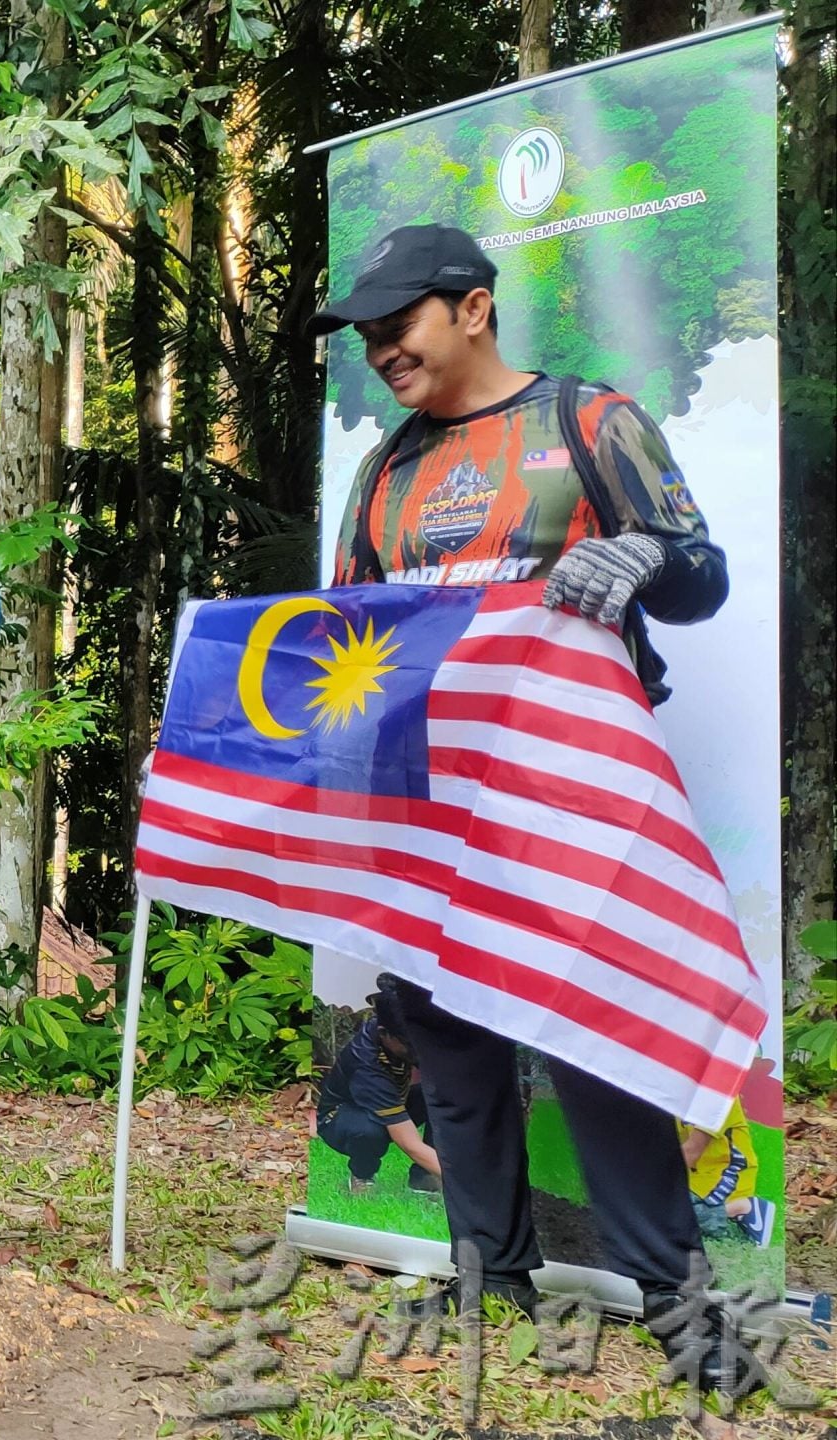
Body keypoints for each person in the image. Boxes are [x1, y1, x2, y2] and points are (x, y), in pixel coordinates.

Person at [312, 223, 739, 1378]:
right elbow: (345, 639)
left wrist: (646, 558)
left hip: (567, 792)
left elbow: (703, 574)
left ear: (473, 308)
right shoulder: (384, 469)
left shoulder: (589, 422)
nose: (377, 349)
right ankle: (486, 1274)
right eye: (364, 335)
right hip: (425, 790)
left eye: (396, 323)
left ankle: (682, 1313)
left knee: (596, 1030)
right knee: (447, 1041)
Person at [315, 982, 441, 1195]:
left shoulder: (399, 1034)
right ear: (384, 1034)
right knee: (368, 1131)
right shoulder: (366, 1064)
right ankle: (361, 1177)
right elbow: (409, 1142)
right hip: (340, 1117)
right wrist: (463, 1182)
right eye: (410, 1045)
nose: (417, 1050)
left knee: (440, 1100)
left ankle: (424, 1178)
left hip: (388, 1102)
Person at [680, 1098, 775, 1249]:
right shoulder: (674, 1090)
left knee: (662, 1218)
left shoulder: (719, 1096)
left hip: (727, 1174)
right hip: (696, 1175)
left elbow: (691, 1152)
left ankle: (743, 1207)